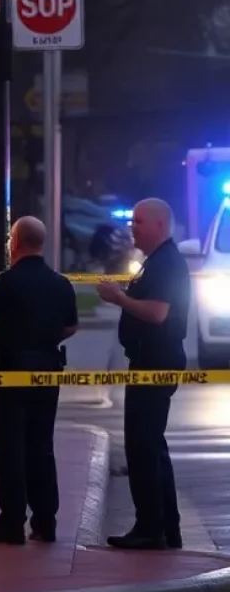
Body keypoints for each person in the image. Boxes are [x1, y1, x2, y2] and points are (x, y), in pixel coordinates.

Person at [0, 216, 79, 545]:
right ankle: (46, 521)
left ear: (14, 243)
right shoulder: (61, 283)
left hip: (8, 375)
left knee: (9, 448)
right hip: (46, 372)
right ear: (40, 243)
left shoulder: (6, 282)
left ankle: (12, 521)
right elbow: (70, 327)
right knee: (41, 446)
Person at [98, 198, 191, 550]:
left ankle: (151, 528)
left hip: (155, 362)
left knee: (142, 445)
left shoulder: (166, 263)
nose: (131, 227)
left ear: (160, 226)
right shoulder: (156, 262)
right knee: (151, 445)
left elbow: (157, 314)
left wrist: (118, 298)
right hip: (147, 360)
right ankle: (166, 527)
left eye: (138, 222)